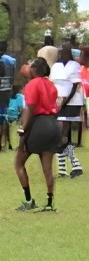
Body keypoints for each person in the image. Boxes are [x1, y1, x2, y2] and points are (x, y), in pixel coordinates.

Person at [14, 57, 61, 212]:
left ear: (34, 70)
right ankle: (49, 202)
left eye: (30, 66)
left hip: (38, 124)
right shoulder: (51, 84)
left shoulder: (32, 84)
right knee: (47, 167)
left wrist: (23, 129)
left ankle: (28, 200)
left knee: (19, 162)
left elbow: (31, 109)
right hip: (53, 124)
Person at [50, 42, 83, 178]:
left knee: (62, 134)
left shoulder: (75, 65)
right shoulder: (56, 66)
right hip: (58, 102)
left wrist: (65, 101)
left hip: (72, 102)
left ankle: (74, 164)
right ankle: (69, 167)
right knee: (61, 136)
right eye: (61, 50)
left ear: (70, 52)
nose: (62, 52)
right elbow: (53, 83)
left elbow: (75, 86)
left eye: (65, 50)